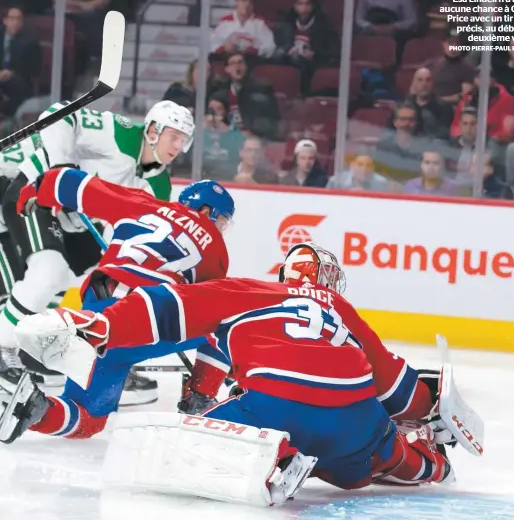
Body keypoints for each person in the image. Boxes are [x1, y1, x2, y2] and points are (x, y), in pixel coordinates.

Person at [7, 243, 454, 505]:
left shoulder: (252, 290)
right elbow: (397, 389)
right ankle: (427, 464)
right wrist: (431, 407)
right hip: (357, 414)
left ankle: (277, 455)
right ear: (331, 282)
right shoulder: (341, 308)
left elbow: (167, 305)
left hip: (274, 405)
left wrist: (100, 324)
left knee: (190, 439)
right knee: (368, 458)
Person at [0, 166, 234, 438]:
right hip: (143, 319)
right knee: (228, 318)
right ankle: (199, 398)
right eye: (224, 221)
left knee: (86, 414)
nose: (222, 229)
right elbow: (210, 302)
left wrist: (34, 191)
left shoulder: (143, 203)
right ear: (209, 212)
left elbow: (73, 182)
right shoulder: (216, 248)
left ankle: (33, 407)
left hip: (97, 309)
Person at [0, 100, 194, 405]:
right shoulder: (121, 133)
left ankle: (91, 360)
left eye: (185, 140)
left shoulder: (158, 186)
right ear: (154, 130)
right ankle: (3, 349)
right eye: (175, 136)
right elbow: (57, 115)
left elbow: (134, 236)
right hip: (39, 191)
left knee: (105, 285)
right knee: (48, 271)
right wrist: (61, 168)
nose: (179, 146)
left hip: (77, 222)